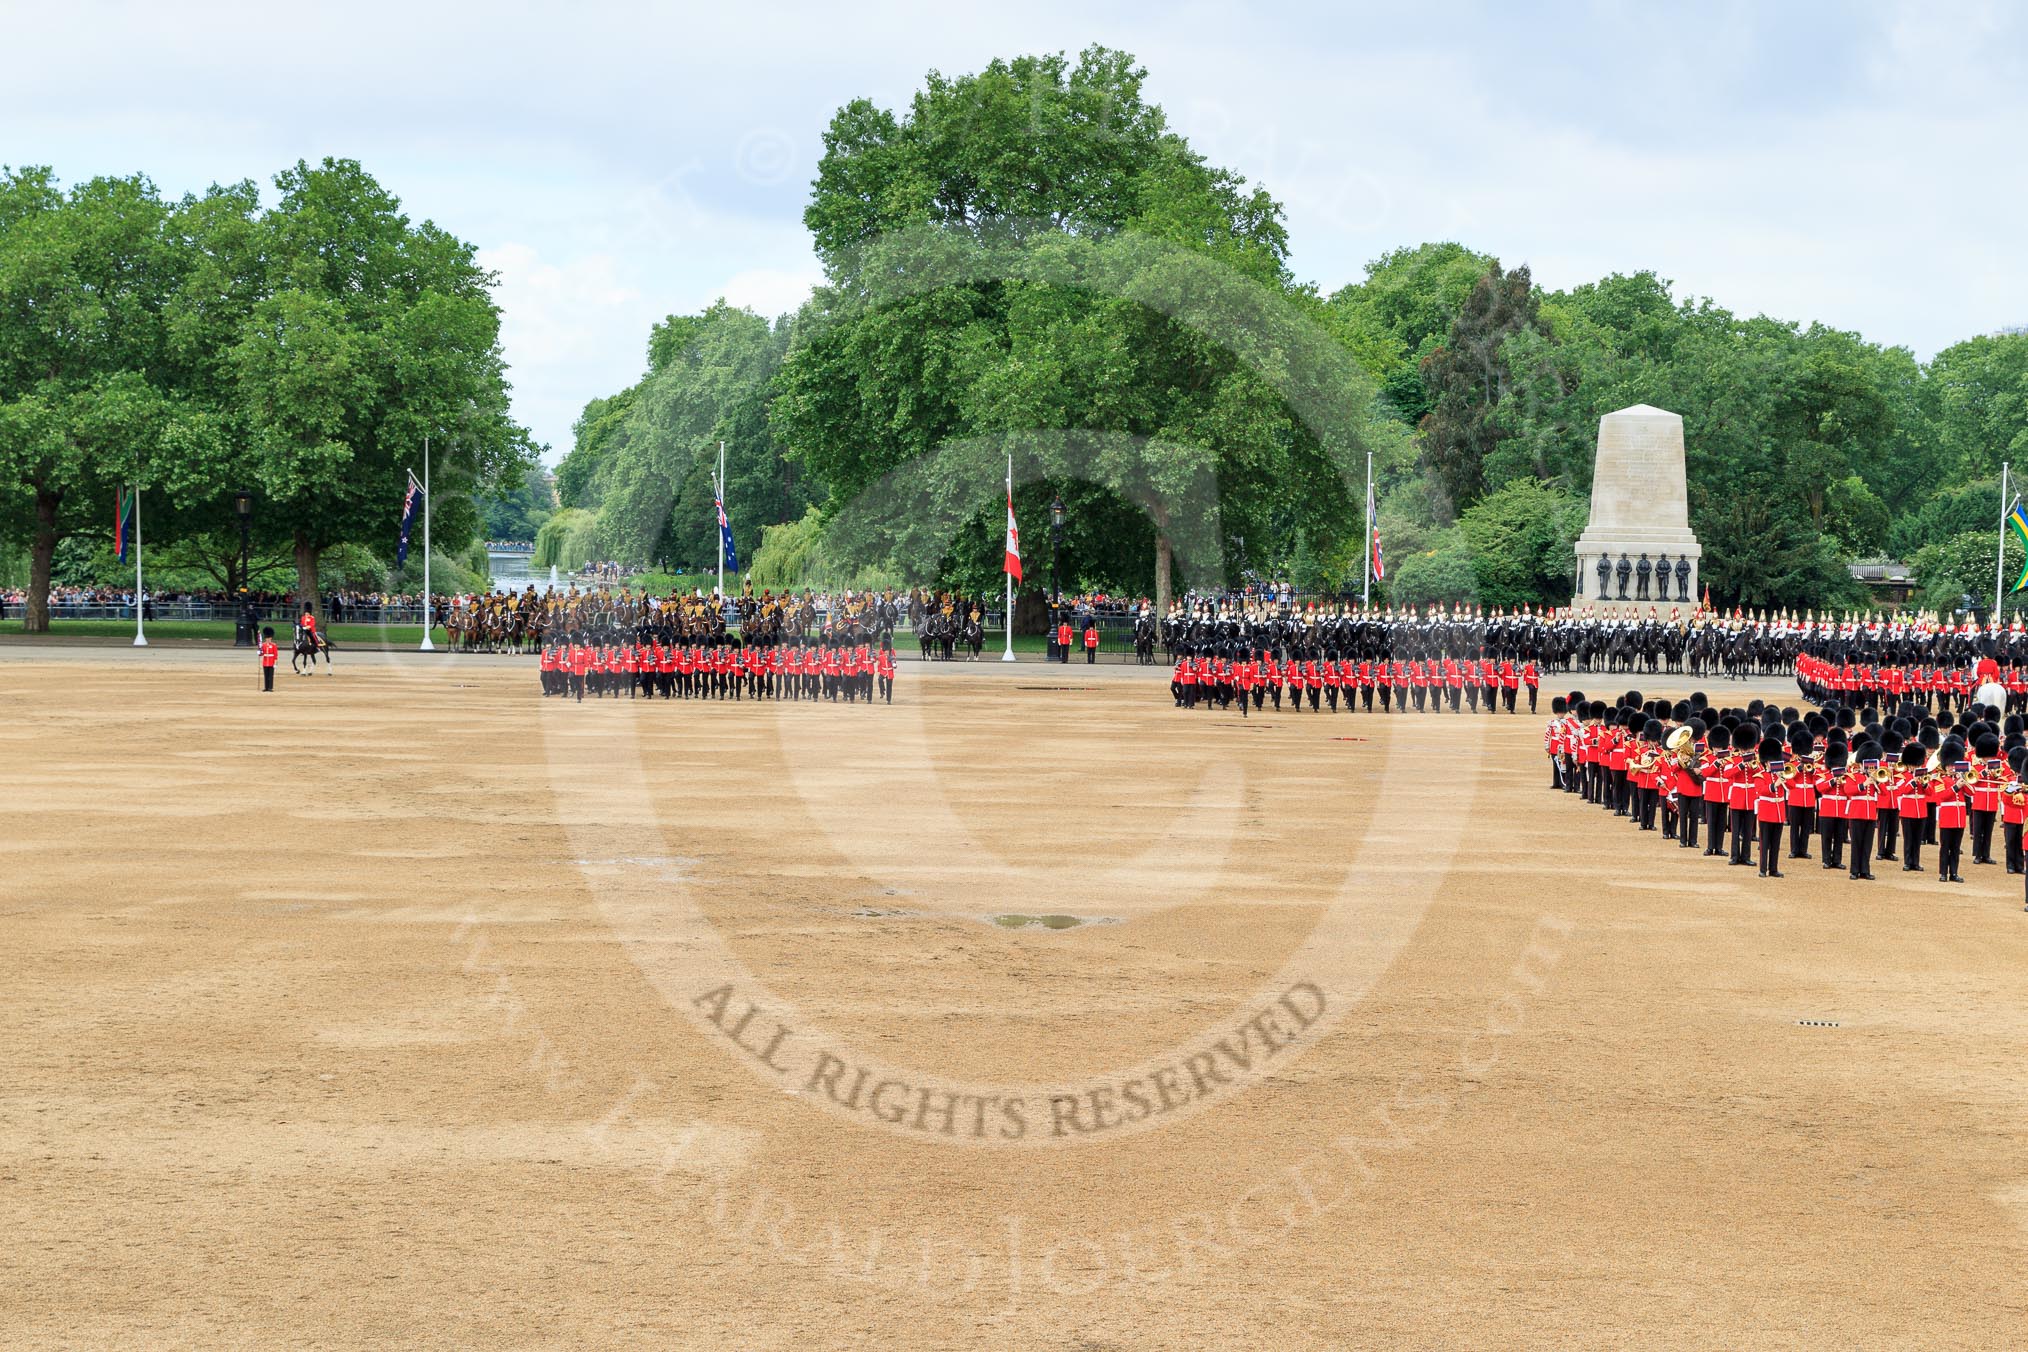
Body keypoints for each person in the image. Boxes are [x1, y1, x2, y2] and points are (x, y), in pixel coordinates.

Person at [259, 626, 279, 692]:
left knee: (270, 676)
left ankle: (270, 687)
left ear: (271, 638)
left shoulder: (274, 645)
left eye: (269, 638)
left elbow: (275, 654)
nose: (268, 640)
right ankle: (266, 687)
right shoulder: (263, 645)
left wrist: (275, 663)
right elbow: (262, 654)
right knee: (266, 675)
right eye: (267, 638)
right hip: (265, 662)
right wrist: (259, 652)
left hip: (271, 662)